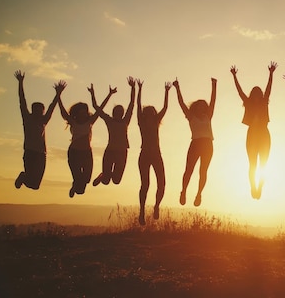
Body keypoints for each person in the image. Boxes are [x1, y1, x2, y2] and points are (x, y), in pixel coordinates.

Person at [230, 61, 277, 199]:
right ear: (252, 95)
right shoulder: (248, 103)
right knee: (252, 164)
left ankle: (260, 187)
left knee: (263, 164)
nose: (257, 95)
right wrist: (234, 76)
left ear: (261, 95)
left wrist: (271, 74)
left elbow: (269, 89)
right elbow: (239, 92)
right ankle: (253, 187)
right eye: (255, 93)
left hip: (264, 135)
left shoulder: (264, 102)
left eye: (259, 93)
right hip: (252, 135)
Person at [59, 84, 113, 197]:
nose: (84, 113)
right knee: (79, 188)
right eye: (81, 112)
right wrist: (58, 95)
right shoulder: (73, 122)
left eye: (85, 111)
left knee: (87, 180)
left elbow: (100, 108)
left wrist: (109, 94)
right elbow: (63, 112)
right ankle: (75, 185)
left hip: (86, 153)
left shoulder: (90, 122)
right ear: (77, 113)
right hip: (74, 153)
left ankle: (76, 185)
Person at [14, 70, 65, 190]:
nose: (38, 111)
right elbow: (22, 101)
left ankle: (23, 177)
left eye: (40, 110)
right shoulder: (27, 118)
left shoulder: (44, 120)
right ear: (32, 110)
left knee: (35, 185)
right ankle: (23, 176)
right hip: (30, 152)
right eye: (35, 109)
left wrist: (58, 93)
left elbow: (52, 106)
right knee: (31, 181)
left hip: (41, 155)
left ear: (42, 111)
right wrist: (20, 83)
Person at [173, 77, 217, 207]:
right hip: (196, 144)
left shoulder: (208, 116)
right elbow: (181, 103)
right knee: (189, 170)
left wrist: (214, 86)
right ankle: (184, 191)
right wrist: (177, 88)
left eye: (204, 106)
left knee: (203, 171)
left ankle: (199, 194)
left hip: (208, 145)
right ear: (196, 107)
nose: (202, 107)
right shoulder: (191, 117)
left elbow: (213, 101)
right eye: (200, 105)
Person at [136, 79, 171, 225]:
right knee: (145, 184)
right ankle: (142, 211)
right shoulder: (141, 122)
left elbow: (165, 108)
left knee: (162, 184)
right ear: (144, 114)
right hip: (144, 154)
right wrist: (139, 89)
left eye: (152, 111)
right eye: (147, 111)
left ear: (154, 114)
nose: (149, 113)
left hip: (156, 155)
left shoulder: (156, 121)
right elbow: (138, 106)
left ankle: (156, 206)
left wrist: (167, 92)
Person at [90, 77, 136, 186]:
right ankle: (103, 175)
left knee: (116, 181)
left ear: (122, 113)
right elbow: (96, 107)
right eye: (117, 111)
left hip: (122, 152)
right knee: (106, 181)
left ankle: (105, 174)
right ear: (114, 112)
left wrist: (133, 88)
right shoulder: (109, 120)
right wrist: (95, 93)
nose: (119, 113)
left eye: (120, 111)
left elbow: (131, 104)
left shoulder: (125, 121)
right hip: (110, 151)